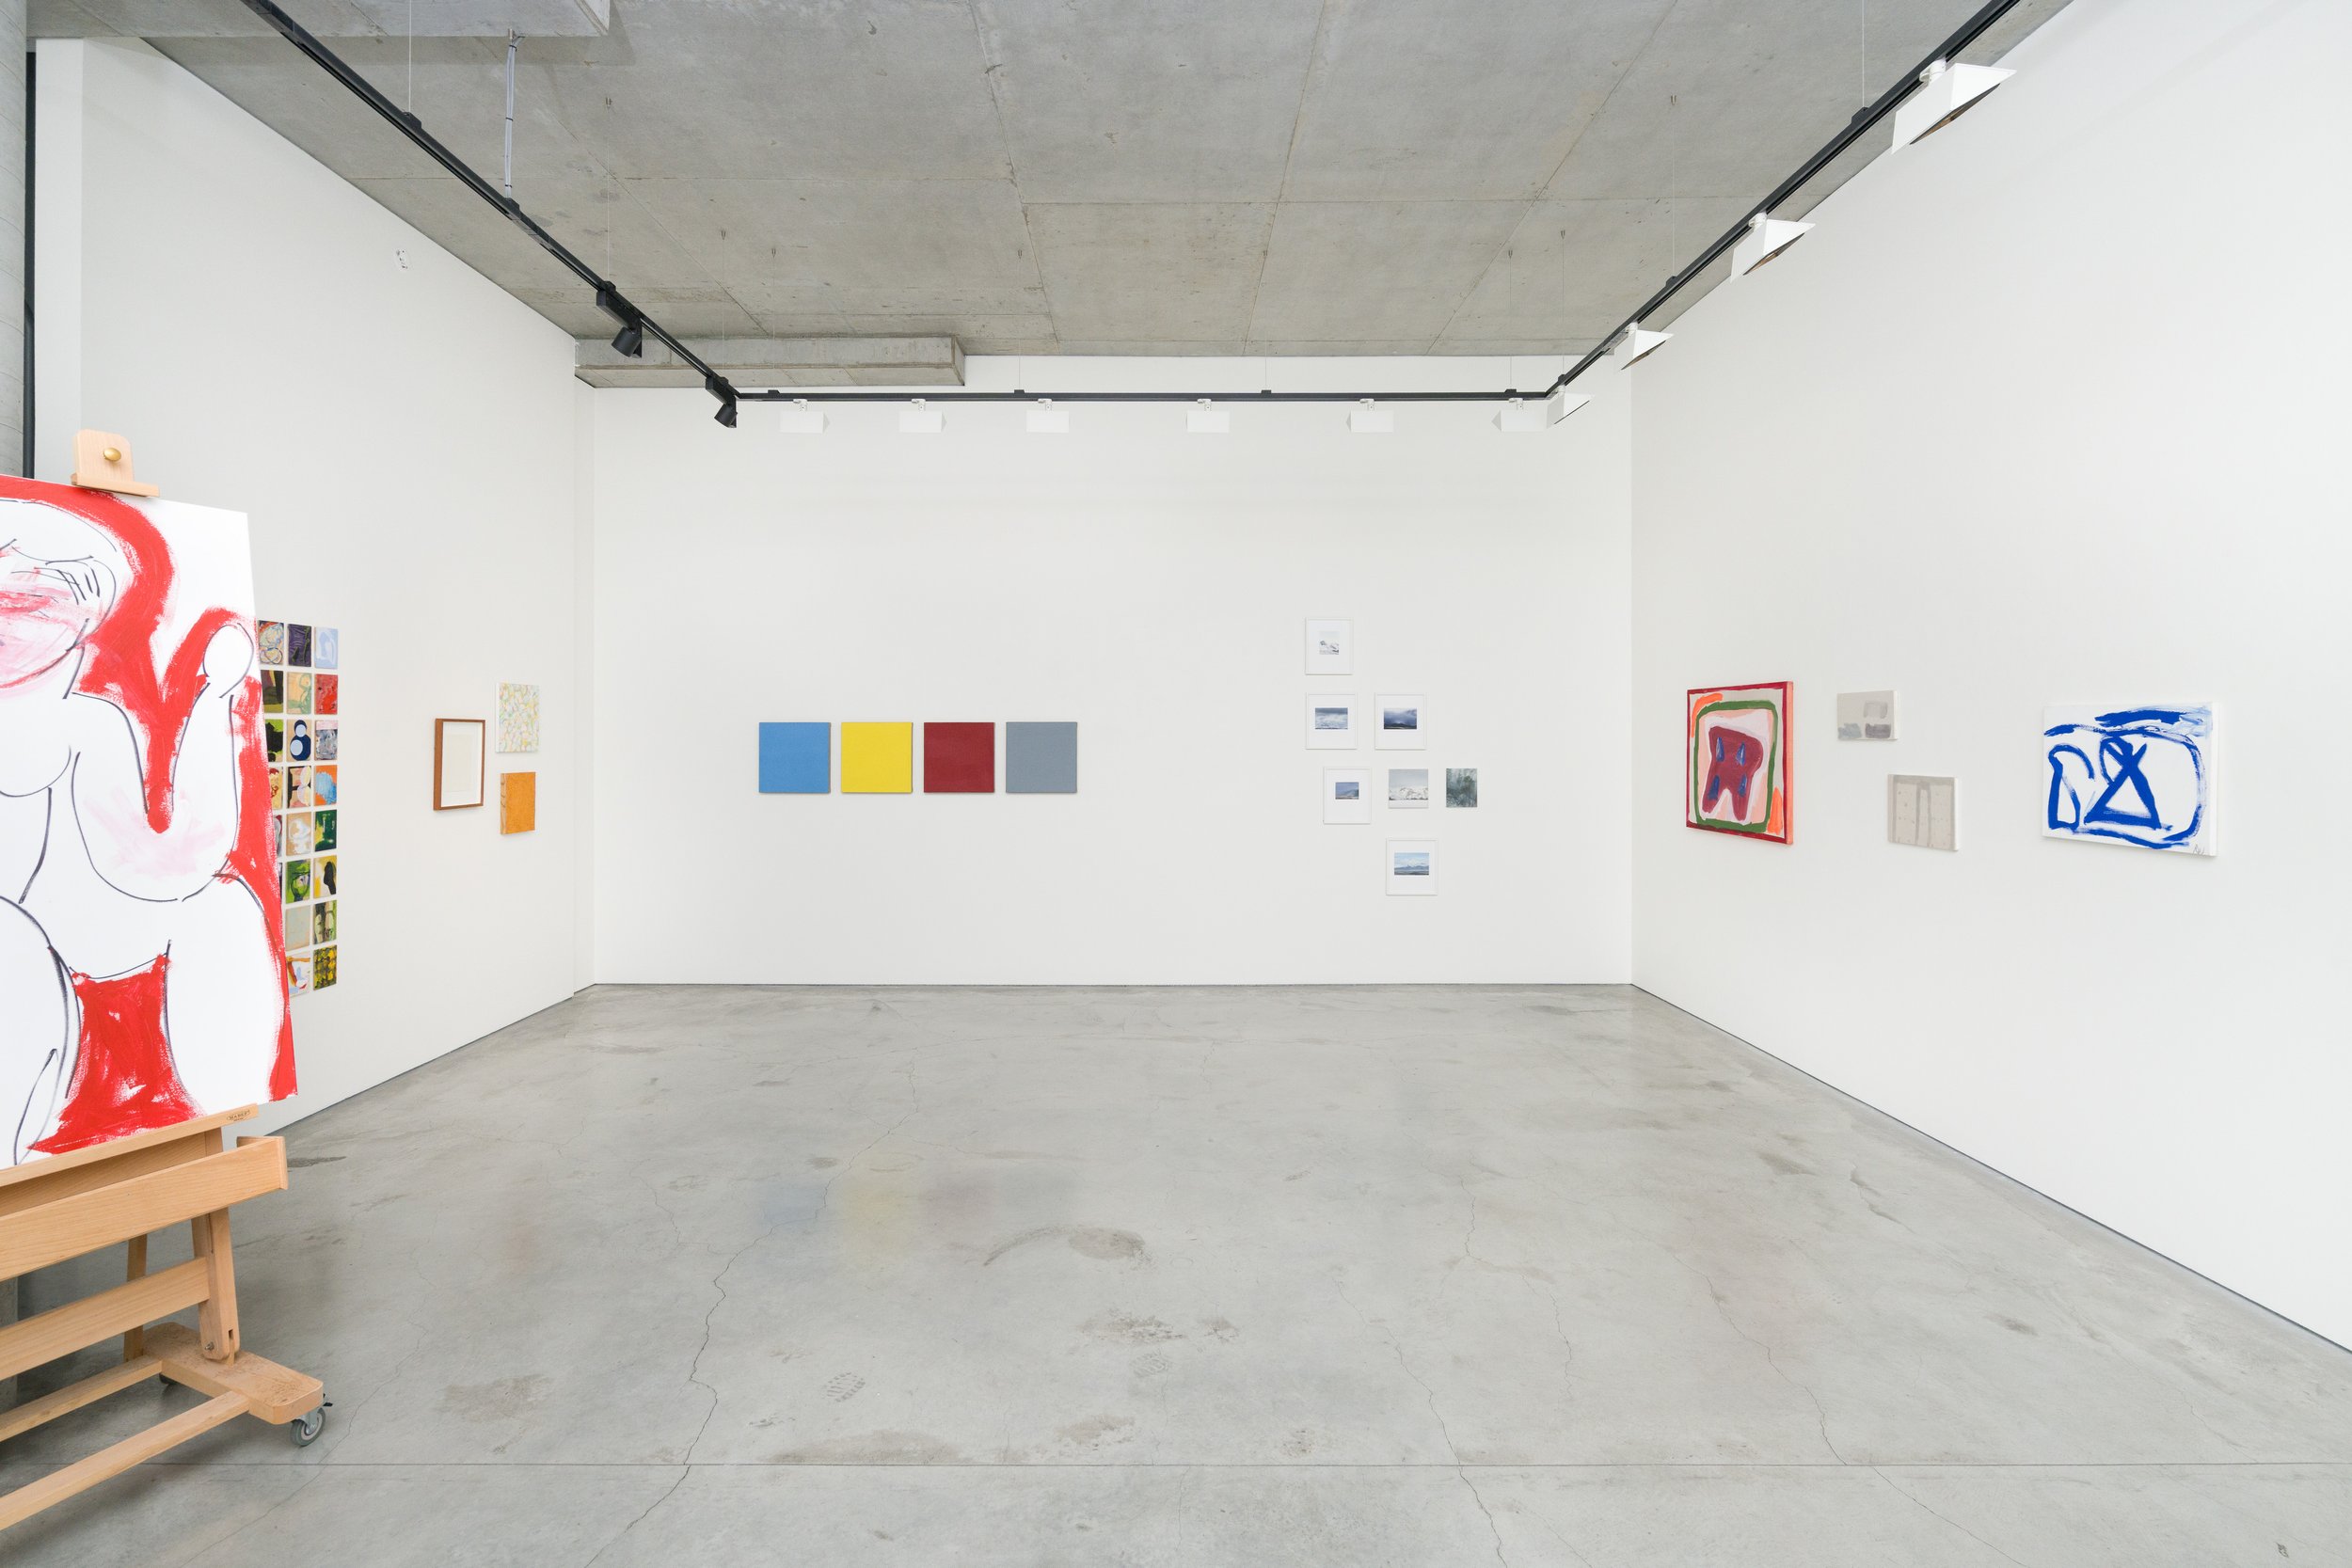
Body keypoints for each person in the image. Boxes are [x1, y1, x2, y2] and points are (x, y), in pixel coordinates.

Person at [0, 490, 285, 1163]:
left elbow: (165, 861)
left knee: (224, 909)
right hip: (50, 988)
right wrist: (215, 697)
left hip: (92, 988)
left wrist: (214, 704)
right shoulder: (76, 720)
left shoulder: (85, 721)